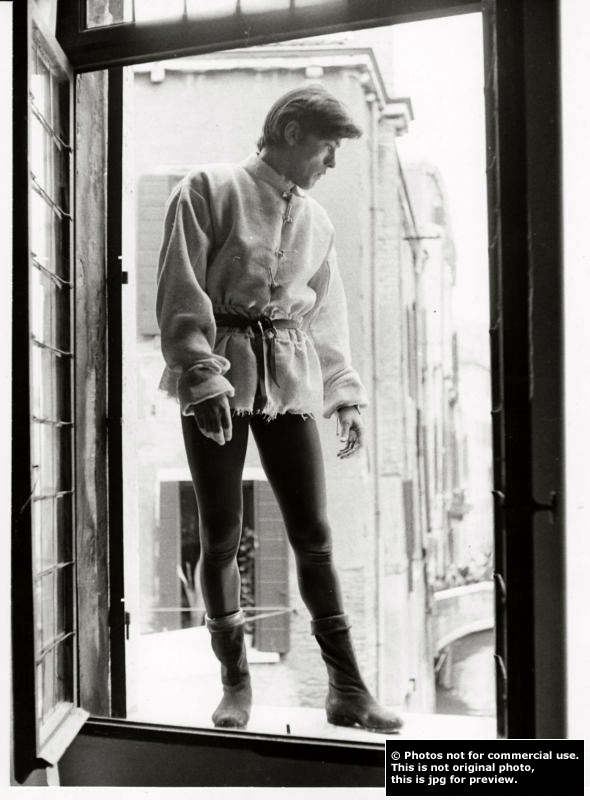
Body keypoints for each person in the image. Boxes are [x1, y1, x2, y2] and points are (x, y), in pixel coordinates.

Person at [156, 85, 402, 733]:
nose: (332, 163)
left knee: (313, 536)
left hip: (288, 378)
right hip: (219, 374)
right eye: (327, 147)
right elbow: (180, 289)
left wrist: (343, 394)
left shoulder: (317, 222)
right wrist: (201, 378)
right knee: (221, 532)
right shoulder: (209, 189)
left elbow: (327, 316)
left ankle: (347, 690)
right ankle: (235, 685)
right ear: (291, 133)